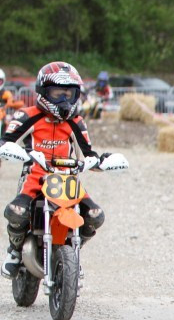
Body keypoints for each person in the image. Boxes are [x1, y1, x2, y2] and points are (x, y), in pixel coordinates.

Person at [2, 62, 108, 278]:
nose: (64, 100)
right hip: (35, 176)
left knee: (95, 215)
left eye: (69, 94)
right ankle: (14, 250)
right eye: (58, 93)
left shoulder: (76, 122)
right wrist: (12, 152)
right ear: (43, 91)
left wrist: (101, 161)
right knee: (16, 212)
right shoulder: (27, 115)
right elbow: (6, 141)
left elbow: (88, 153)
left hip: (66, 180)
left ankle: (72, 253)